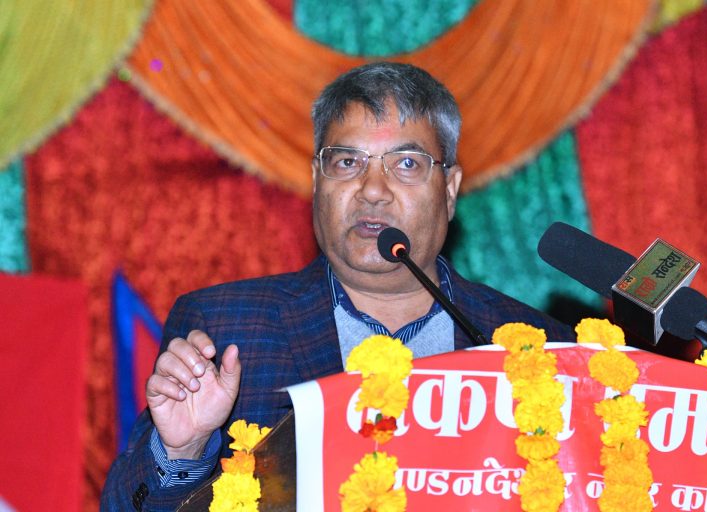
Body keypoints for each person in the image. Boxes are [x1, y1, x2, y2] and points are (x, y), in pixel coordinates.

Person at [100, 62, 574, 510]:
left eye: (407, 164)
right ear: (316, 180)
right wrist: (181, 453)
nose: (373, 189)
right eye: (347, 162)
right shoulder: (226, 331)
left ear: (449, 191)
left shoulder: (539, 349)